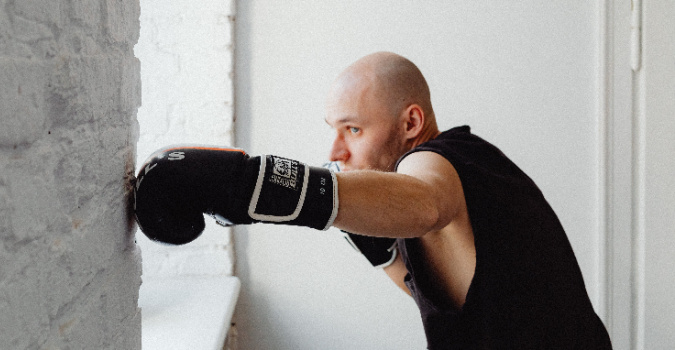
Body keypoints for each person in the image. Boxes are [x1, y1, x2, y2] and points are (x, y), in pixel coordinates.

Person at [133, 52, 612, 349]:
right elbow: (432, 292)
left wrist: (241, 186)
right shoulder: (454, 190)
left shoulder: (443, 161)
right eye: (334, 130)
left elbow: (424, 201)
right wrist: (366, 237)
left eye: (354, 129)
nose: (336, 150)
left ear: (411, 123)